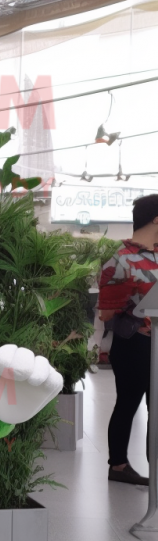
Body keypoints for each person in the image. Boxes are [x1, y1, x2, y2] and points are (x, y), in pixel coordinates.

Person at [98, 194, 158, 485]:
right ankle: (118, 466)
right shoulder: (120, 260)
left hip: (157, 343)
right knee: (128, 403)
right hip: (135, 343)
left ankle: (155, 469)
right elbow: (106, 314)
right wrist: (134, 297)